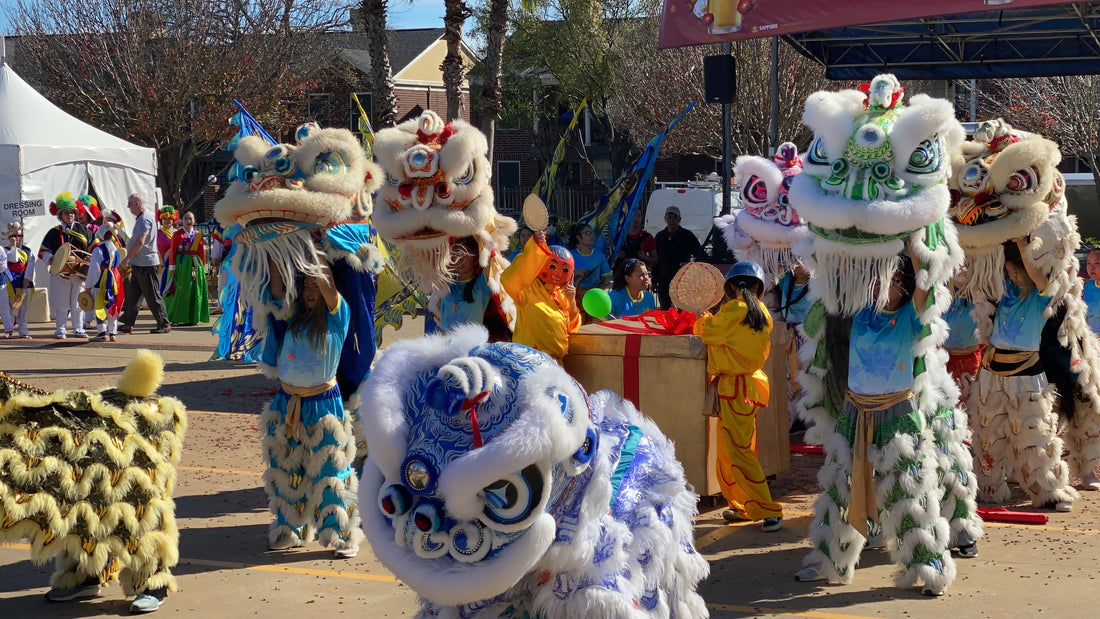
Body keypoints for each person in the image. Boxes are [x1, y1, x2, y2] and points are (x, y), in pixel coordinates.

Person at [797, 248, 958, 592]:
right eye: (881, 278)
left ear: (905, 285)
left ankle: (929, 568)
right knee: (839, 490)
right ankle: (828, 561)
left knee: (909, 493)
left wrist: (917, 246)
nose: (885, 286)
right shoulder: (860, 314)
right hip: (854, 413)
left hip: (898, 415)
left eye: (896, 280)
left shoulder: (913, 318)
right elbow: (836, 272)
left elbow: (926, 285)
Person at [260, 259, 364, 559]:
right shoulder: (293, 316)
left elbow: (329, 286)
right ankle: (290, 529)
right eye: (305, 283)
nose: (309, 289)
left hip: (323, 406)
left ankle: (343, 535)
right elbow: (277, 288)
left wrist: (314, 249)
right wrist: (275, 250)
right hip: (287, 403)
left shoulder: (337, 315)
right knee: (287, 471)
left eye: (314, 284)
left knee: (331, 472)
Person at [973, 238, 1079, 511]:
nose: (1013, 276)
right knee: (989, 435)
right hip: (991, 372)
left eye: (1017, 272)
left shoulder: (1042, 294)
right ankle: (989, 488)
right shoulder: (1005, 289)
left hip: (1026, 373)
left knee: (1035, 434)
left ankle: (1049, 492)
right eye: (1009, 272)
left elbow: (1034, 274)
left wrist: (1023, 245)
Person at [694, 261, 783, 532]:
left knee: (739, 454)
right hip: (746, 391)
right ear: (758, 287)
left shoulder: (732, 311)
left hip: (735, 391)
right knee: (733, 452)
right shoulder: (761, 313)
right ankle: (743, 505)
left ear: (731, 287)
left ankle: (769, 510)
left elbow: (705, 333)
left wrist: (703, 315)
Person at [501, 230, 581, 363]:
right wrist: (535, 247)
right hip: (530, 362)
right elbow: (510, 279)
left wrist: (572, 301)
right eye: (552, 265)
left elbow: (572, 328)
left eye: (565, 269)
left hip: (556, 363)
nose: (557, 272)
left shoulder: (562, 293)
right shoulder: (528, 288)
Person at [39, 192, 91, 339]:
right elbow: (44, 250)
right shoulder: (53, 232)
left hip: (79, 271)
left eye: (73, 213)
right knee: (61, 302)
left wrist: (88, 260)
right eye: (67, 213)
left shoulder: (84, 231)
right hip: (61, 272)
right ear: (60, 214)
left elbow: (94, 247)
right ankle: (61, 329)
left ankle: (78, 328)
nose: (70, 215)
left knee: (77, 301)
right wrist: (50, 258)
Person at [438, 236, 510, 341]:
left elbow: (489, 254)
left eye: (464, 255)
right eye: (455, 254)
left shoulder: (481, 286)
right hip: (443, 346)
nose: (458, 259)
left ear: (476, 259)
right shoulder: (446, 282)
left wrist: (478, 230)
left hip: (468, 348)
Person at [118, 194, 171, 334]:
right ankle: (128, 323)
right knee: (134, 294)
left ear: (136, 203)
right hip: (140, 263)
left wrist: (126, 259)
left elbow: (140, 241)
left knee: (152, 294)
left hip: (145, 264)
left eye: (129, 204)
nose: (128, 207)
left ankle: (164, 323)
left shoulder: (144, 219)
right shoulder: (143, 218)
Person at [163, 211, 210, 326]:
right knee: (181, 289)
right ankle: (176, 316)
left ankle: (193, 318)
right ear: (181, 221)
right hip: (181, 264)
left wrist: (202, 267)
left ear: (194, 221)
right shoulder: (177, 234)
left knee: (194, 290)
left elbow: (201, 253)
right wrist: (172, 267)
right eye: (185, 219)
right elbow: (173, 251)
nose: (188, 221)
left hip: (194, 265)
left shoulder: (198, 235)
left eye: (190, 219)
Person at [655, 206, 702, 310]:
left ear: (679, 219)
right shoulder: (659, 236)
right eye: (669, 217)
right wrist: (654, 280)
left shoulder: (687, 236)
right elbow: (656, 259)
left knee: (683, 309)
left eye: (674, 217)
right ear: (665, 219)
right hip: (664, 280)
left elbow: (700, 255)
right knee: (665, 310)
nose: (672, 220)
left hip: (682, 281)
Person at [85, 223, 125, 342]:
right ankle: (112, 332)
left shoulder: (98, 249)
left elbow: (94, 268)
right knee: (112, 303)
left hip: (101, 279)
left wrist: (88, 285)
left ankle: (102, 332)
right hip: (114, 278)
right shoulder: (116, 250)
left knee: (100, 304)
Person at [0, 222, 35, 339]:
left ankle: (23, 330)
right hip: (11, 281)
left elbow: (30, 265)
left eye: (17, 236)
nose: (14, 238)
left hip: (24, 280)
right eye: (11, 236)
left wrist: (27, 279)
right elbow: (13, 260)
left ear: (22, 237)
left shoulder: (28, 250)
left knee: (23, 308)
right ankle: (9, 330)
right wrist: (14, 246)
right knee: (12, 307)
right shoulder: (5, 250)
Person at [567, 222, 611, 302]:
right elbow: (563, 277)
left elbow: (607, 277)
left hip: (595, 295)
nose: (591, 236)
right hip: (575, 297)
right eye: (587, 233)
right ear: (578, 237)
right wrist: (576, 273)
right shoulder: (570, 256)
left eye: (592, 232)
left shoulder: (599, 255)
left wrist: (599, 290)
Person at [1084, 247, 1100, 334]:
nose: (1091, 267)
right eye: (1088, 263)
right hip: (1090, 340)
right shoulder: (1089, 285)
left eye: (1097, 263)